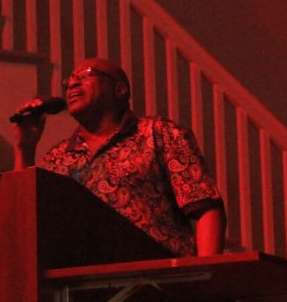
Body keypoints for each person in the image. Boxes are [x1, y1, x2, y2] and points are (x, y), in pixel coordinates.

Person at [12, 56, 226, 257]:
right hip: (83, 288)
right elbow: (26, 219)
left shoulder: (158, 133)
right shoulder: (58, 158)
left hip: (161, 283)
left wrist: (206, 281)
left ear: (120, 89)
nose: (72, 84)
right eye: (69, 81)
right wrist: (25, 149)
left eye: (86, 75)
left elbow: (206, 208)